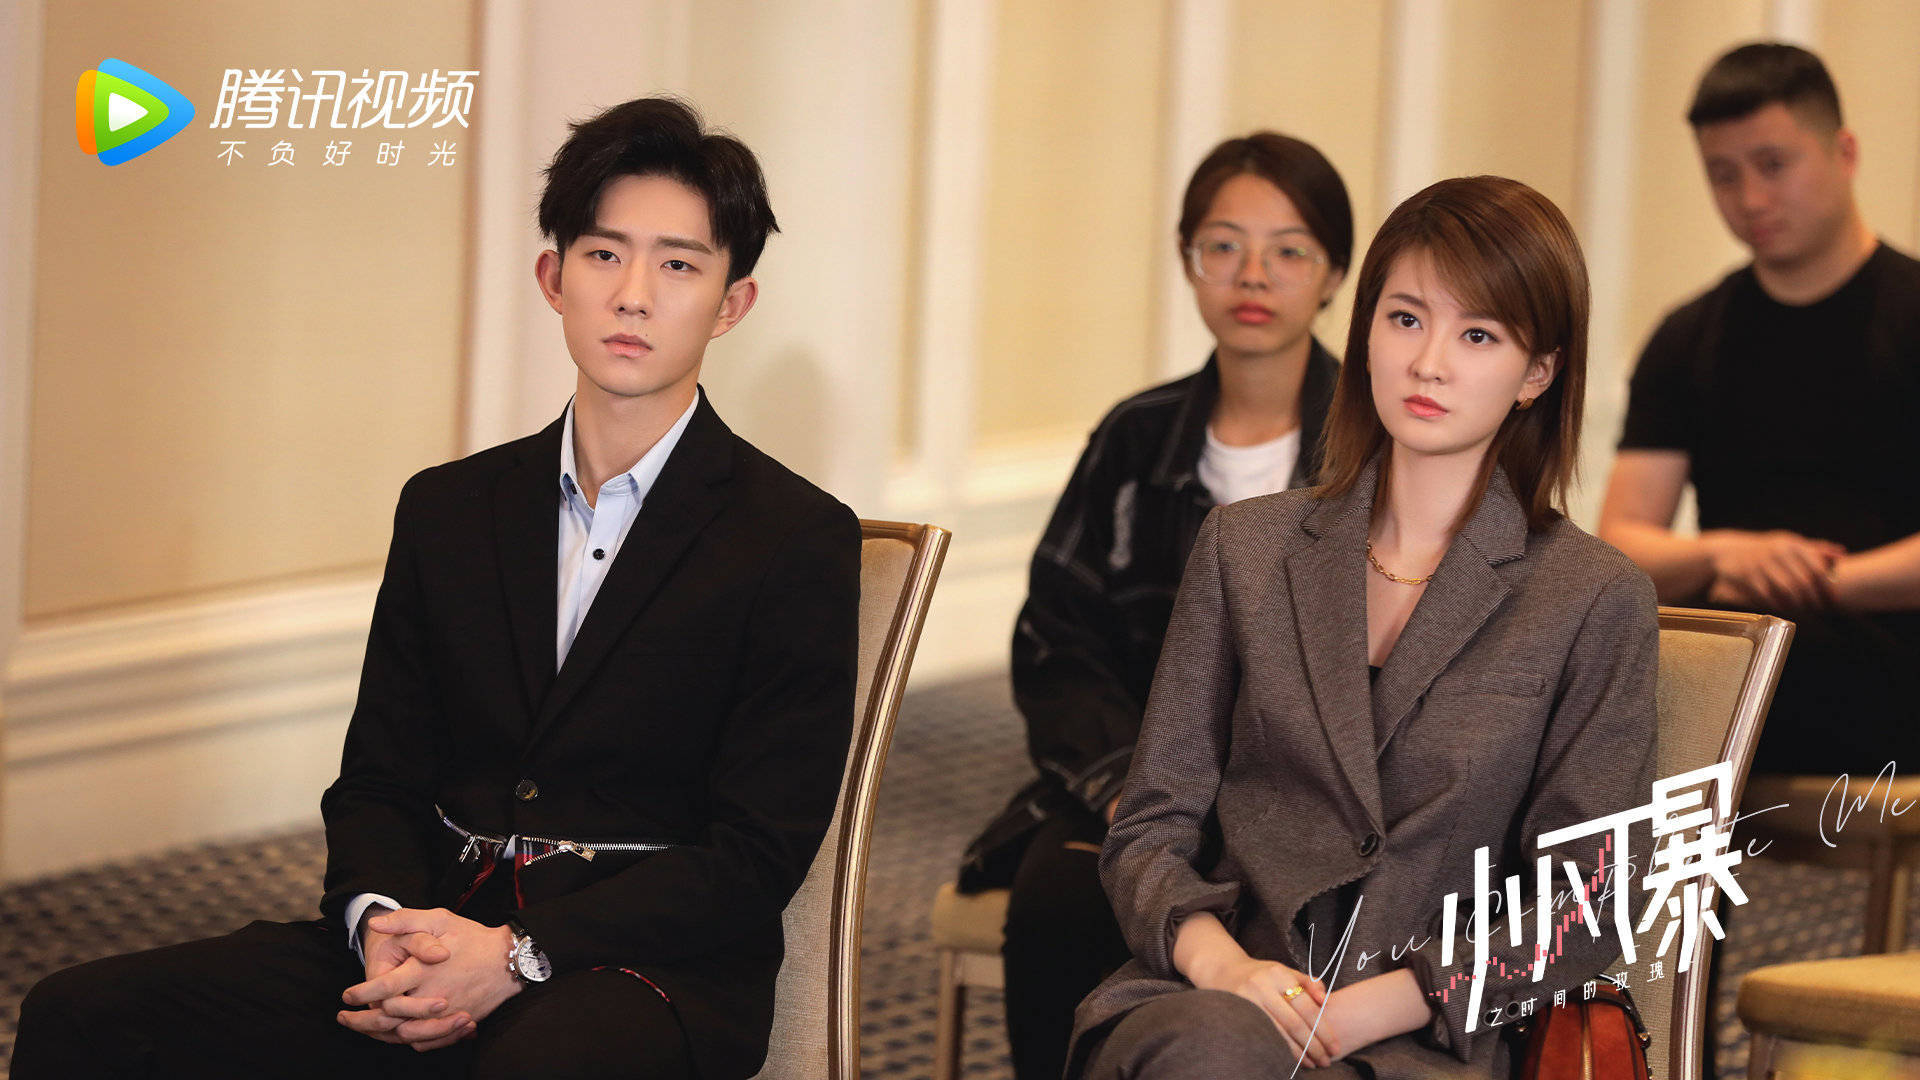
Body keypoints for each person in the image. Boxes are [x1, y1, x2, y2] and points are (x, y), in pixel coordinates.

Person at [11, 96, 860, 1080]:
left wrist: (517, 954)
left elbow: (753, 856)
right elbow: (378, 778)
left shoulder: (791, 537)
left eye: (678, 265)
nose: (633, 295)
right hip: (435, 930)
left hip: (645, 972)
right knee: (84, 1015)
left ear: (732, 303)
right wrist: (383, 927)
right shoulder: (449, 508)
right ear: (553, 278)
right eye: (603, 254)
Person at [1067, 176, 1659, 1080]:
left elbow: (1591, 898)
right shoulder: (1246, 548)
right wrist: (1224, 968)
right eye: (1406, 319)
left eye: (1478, 336)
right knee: (1211, 1054)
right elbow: (1152, 824)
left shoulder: (1592, 595)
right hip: (1220, 999)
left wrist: (1375, 1008)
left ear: (1538, 372)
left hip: (1426, 1041)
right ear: (1366, 331)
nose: (1429, 363)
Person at [957, 132, 1354, 1080]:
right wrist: (1129, 789)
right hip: (1134, 788)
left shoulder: (1372, 450)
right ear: (1187, 260)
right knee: (1061, 897)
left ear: (1335, 274)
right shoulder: (1136, 439)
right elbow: (1055, 641)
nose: (1252, 275)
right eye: (1223, 246)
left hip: (1305, 806)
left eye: (1289, 250)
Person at [1598, 42, 1920, 776]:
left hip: (1889, 658)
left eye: (1773, 164)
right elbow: (1621, 544)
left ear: (1845, 152)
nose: (1750, 199)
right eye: (1723, 174)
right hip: (1742, 662)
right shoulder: (1689, 335)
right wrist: (1723, 554)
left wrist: (1816, 582)